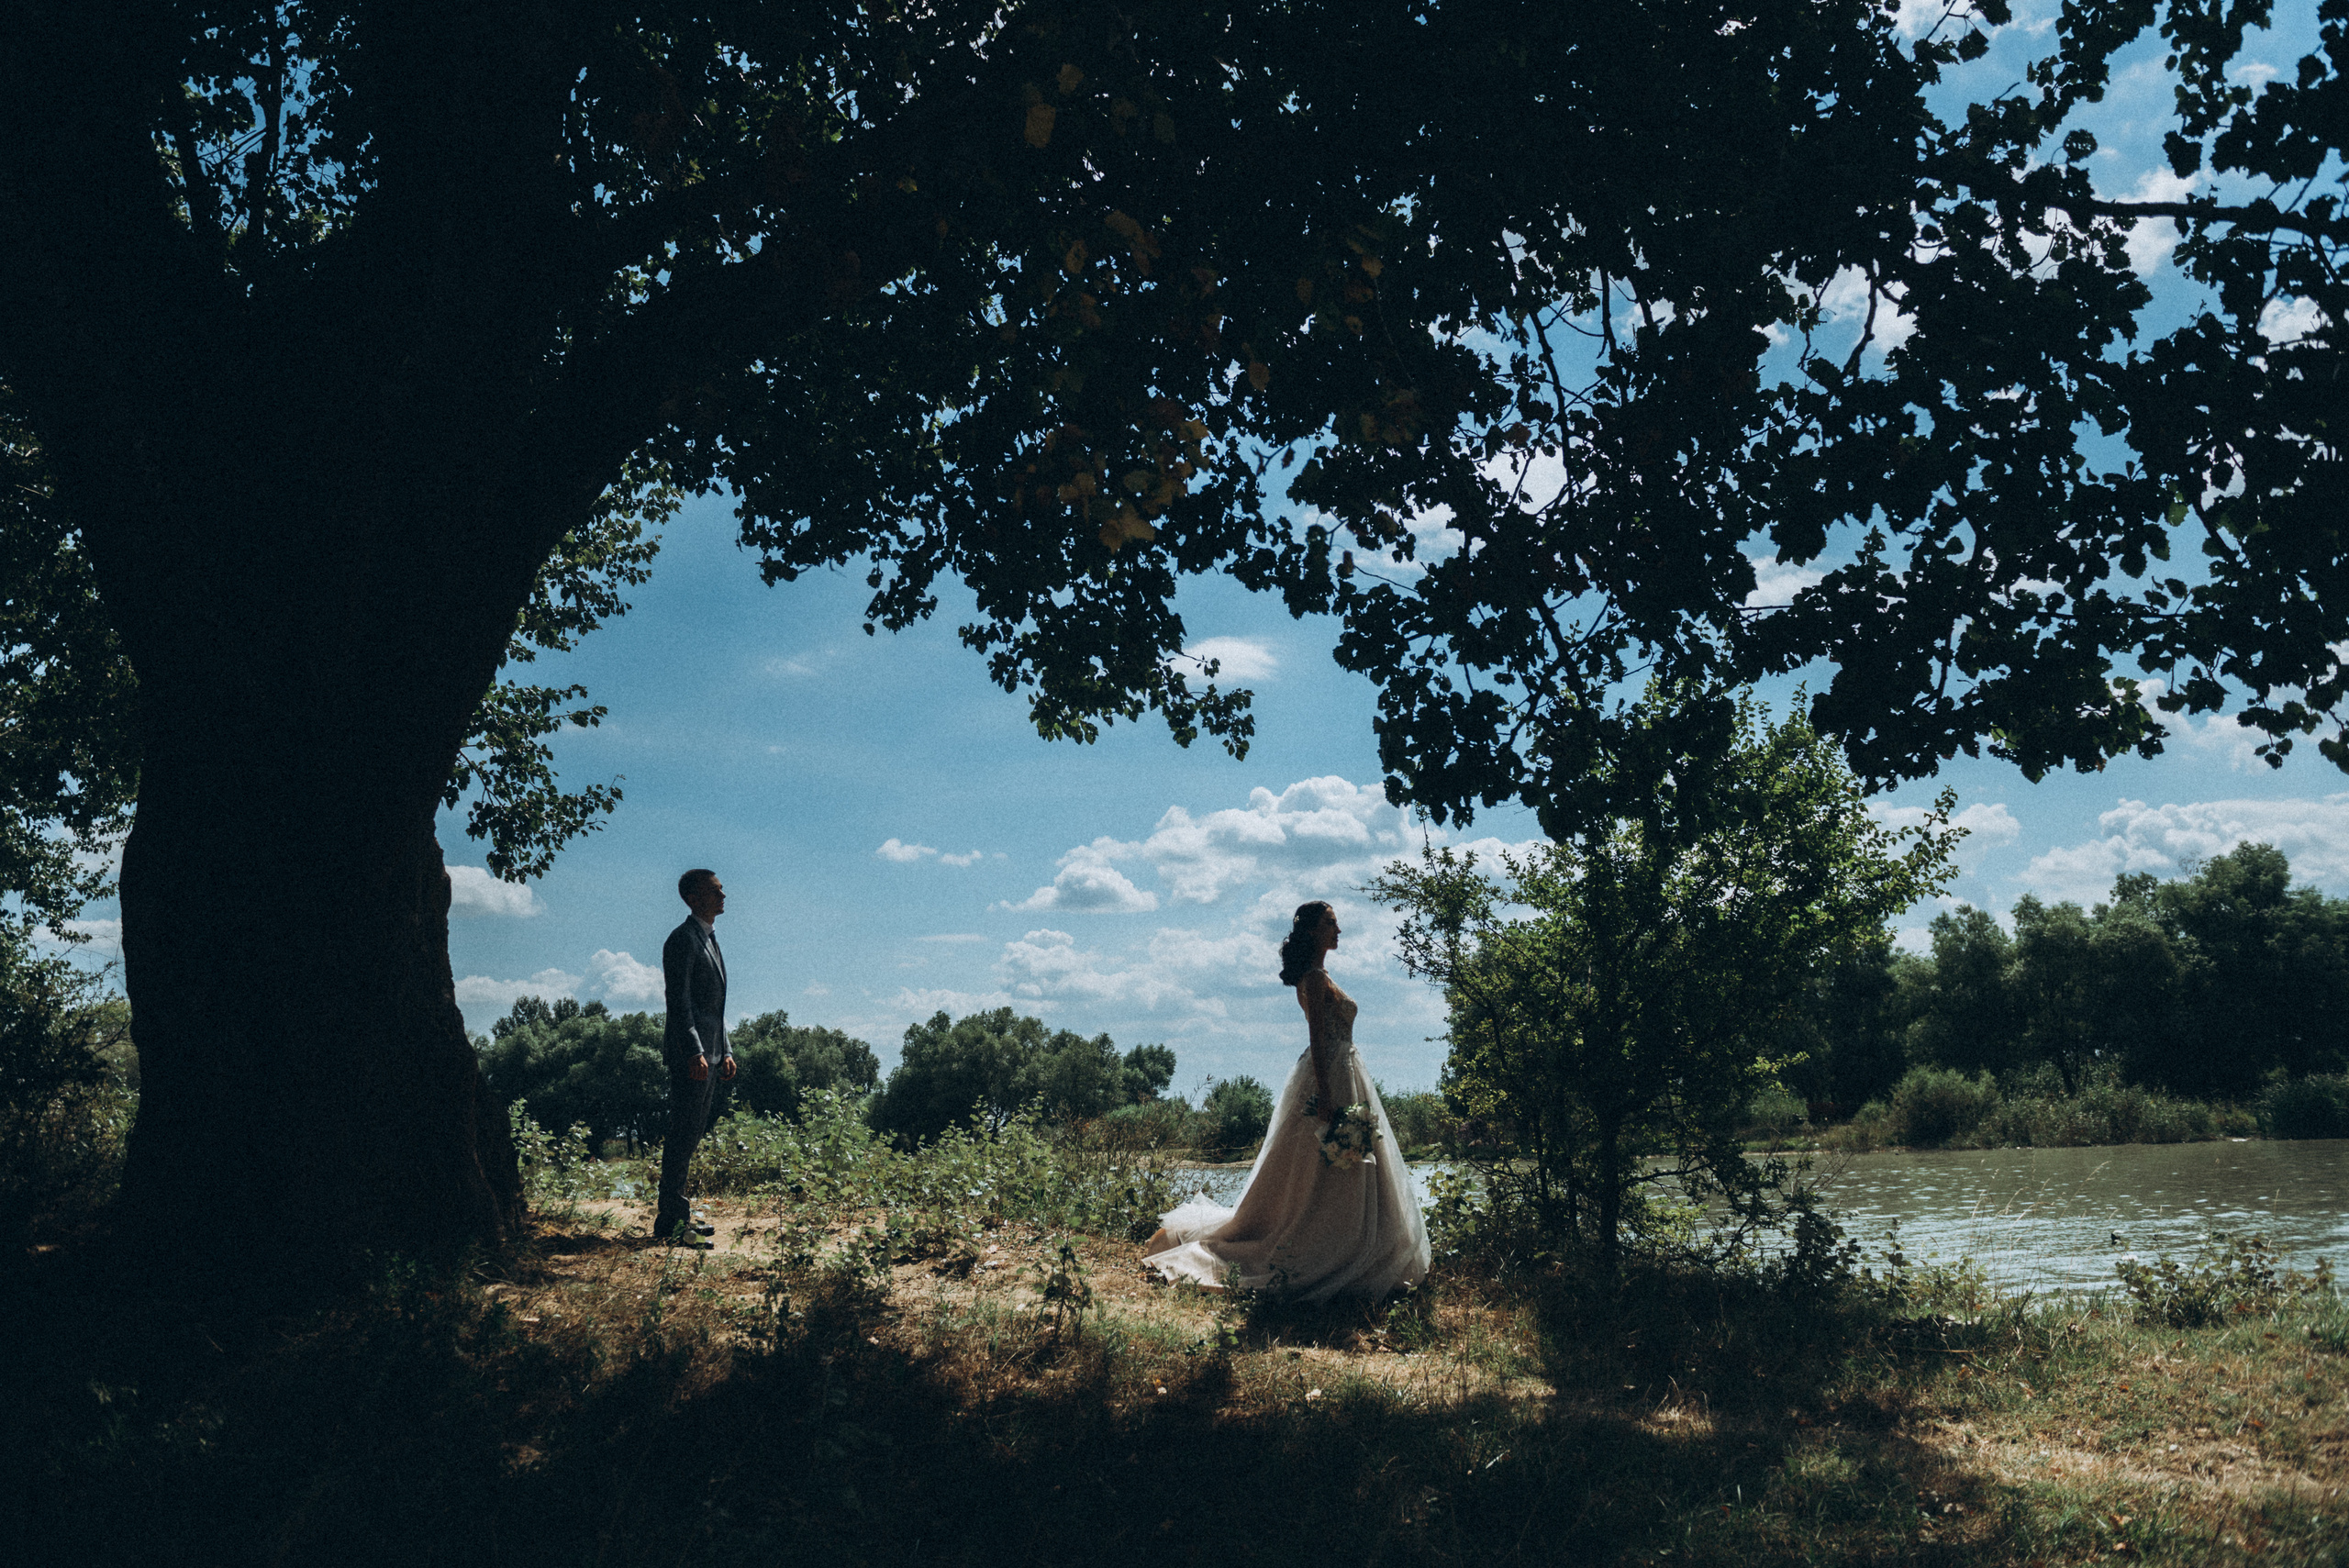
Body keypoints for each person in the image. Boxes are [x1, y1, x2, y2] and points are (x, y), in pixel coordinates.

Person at [1141, 900, 1430, 1300]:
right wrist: (1326, 1097)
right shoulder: (1312, 979)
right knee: (1324, 1168)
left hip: (1346, 1073)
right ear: (1312, 931)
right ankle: (1323, 1249)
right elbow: (1315, 1038)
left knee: (1346, 1170)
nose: (1339, 929)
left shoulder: (1323, 975)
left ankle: (1356, 1245)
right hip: (1329, 1077)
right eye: (1331, 923)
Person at [656, 868, 736, 1241]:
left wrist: (726, 1048)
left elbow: (713, 1008)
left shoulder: (710, 938)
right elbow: (680, 1003)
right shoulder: (682, 940)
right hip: (694, 1057)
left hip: (712, 1055)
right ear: (693, 898)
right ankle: (670, 1224)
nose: (724, 895)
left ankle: (678, 1214)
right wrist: (695, 1052)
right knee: (682, 1135)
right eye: (716, 891)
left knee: (692, 1135)